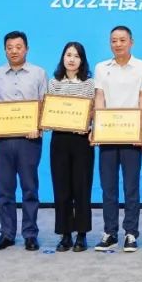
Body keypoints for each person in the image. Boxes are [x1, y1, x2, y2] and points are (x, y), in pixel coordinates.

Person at [0, 31, 47, 253]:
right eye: (10, 47)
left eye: (18, 47)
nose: (14, 51)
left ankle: (30, 234)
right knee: (5, 189)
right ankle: (7, 234)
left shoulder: (39, 73)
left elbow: (44, 104)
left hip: (29, 140)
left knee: (30, 188)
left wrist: (38, 127)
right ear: (5, 50)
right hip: (2, 140)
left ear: (26, 49)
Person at [93, 25, 142, 253]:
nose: (118, 44)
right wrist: (98, 127)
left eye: (122, 40)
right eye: (114, 40)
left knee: (131, 186)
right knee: (108, 186)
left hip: (131, 135)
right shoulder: (101, 68)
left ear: (131, 42)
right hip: (108, 134)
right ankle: (109, 233)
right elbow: (99, 98)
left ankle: (131, 233)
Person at [47, 41, 95, 252]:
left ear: (82, 60)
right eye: (68, 55)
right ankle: (65, 234)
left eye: (76, 55)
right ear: (63, 58)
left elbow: (92, 111)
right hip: (60, 139)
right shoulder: (54, 83)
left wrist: (89, 126)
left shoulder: (89, 84)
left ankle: (82, 234)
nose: (72, 59)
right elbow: (50, 111)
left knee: (81, 188)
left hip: (82, 140)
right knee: (62, 188)